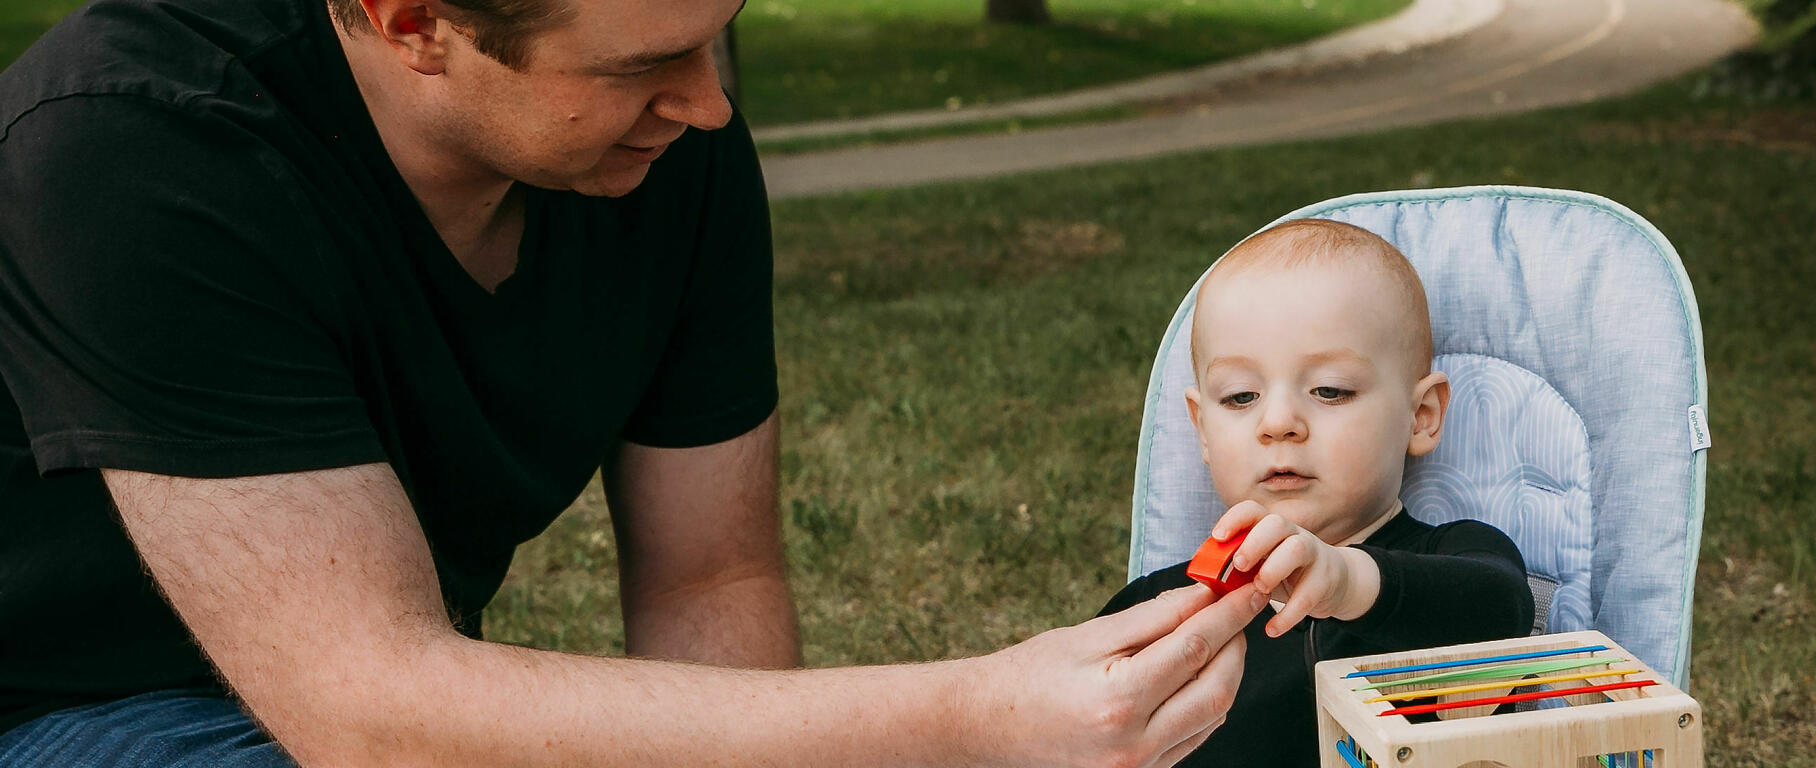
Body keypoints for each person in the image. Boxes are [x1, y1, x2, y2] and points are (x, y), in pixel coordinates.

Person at [0, 0, 1267, 763]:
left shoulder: (664, 139)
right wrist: (971, 717)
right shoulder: (132, 151)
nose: (708, 104)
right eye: (634, 68)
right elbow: (373, 718)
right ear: (411, 23)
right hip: (57, 710)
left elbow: (710, 575)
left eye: (723, 32)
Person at [1098, 219, 1536, 766]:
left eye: (1330, 390)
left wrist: (1349, 581)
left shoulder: (1450, 559)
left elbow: (1503, 612)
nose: (1278, 422)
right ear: (1202, 429)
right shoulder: (1160, 605)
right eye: (1239, 397)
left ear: (1420, 416)